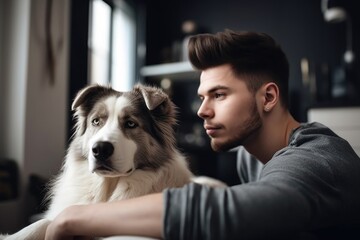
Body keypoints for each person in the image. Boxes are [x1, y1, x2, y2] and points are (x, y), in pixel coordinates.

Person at [45, 30, 360, 240]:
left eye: (219, 95)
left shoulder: (317, 158)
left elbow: (227, 213)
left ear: (268, 98)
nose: (202, 110)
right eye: (202, 96)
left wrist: (74, 217)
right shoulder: (248, 157)